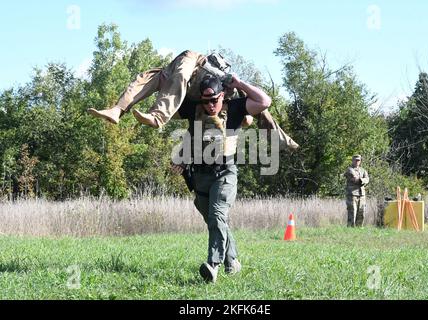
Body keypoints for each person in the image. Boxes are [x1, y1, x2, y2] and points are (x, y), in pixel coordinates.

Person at [87, 50, 299, 151]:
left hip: (192, 84)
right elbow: (262, 103)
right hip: (194, 63)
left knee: (151, 77)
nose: (211, 106)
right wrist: (239, 83)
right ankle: (145, 114)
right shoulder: (224, 88)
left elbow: (262, 107)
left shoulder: (210, 105)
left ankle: (118, 110)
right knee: (167, 77)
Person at [170, 74, 271, 283]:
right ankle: (232, 261)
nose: (210, 105)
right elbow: (167, 110)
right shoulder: (194, 109)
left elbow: (264, 102)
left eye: (214, 100)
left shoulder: (234, 108)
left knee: (217, 215)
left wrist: (241, 84)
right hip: (199, 176)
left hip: (225, 173)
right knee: (216, 222)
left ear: (222, 95)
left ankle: (213, 265)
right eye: (205, 101)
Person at [344, 155, 370, 227]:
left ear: (360, 161)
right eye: (355, 160)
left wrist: (361, 179)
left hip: (362, 194)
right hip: (352, 194)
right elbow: (354, 178)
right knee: (352, 211)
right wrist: (362, 179)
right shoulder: (349, 169)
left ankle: (359, 227)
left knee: (361, 211)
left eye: (358, 160)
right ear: (352, 160)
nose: (357, 162)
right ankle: (350, 227)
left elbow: (367, 179)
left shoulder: (363, 170)